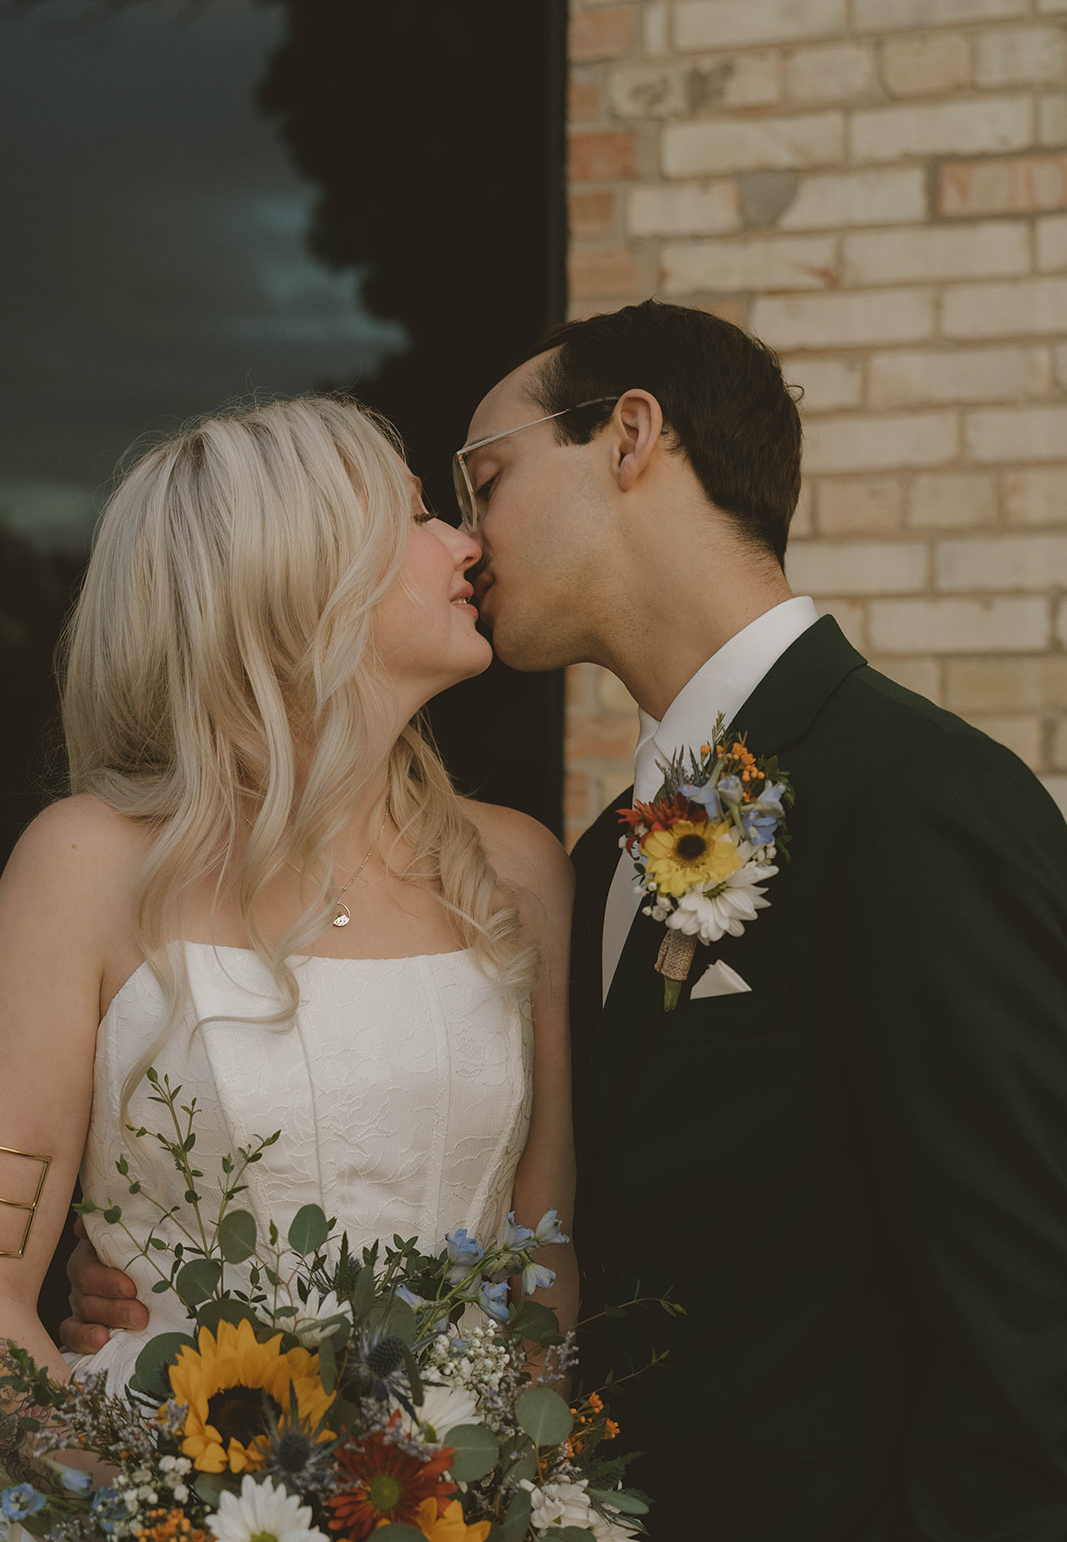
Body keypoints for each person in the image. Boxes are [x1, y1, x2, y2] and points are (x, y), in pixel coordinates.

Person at [66, 301, 1067, 1538]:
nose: (469, 539)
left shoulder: (914, 800)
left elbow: (1030, 1318)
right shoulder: (584, 864)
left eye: (481, 480)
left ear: (629, 437)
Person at [0, 395, 577, 1477]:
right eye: (413, 517)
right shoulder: (84, 866)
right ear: (300, 580)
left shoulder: (517, 870)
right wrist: (145, 1506)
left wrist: (508, 1494)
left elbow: (544, 1268)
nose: (463, 541)